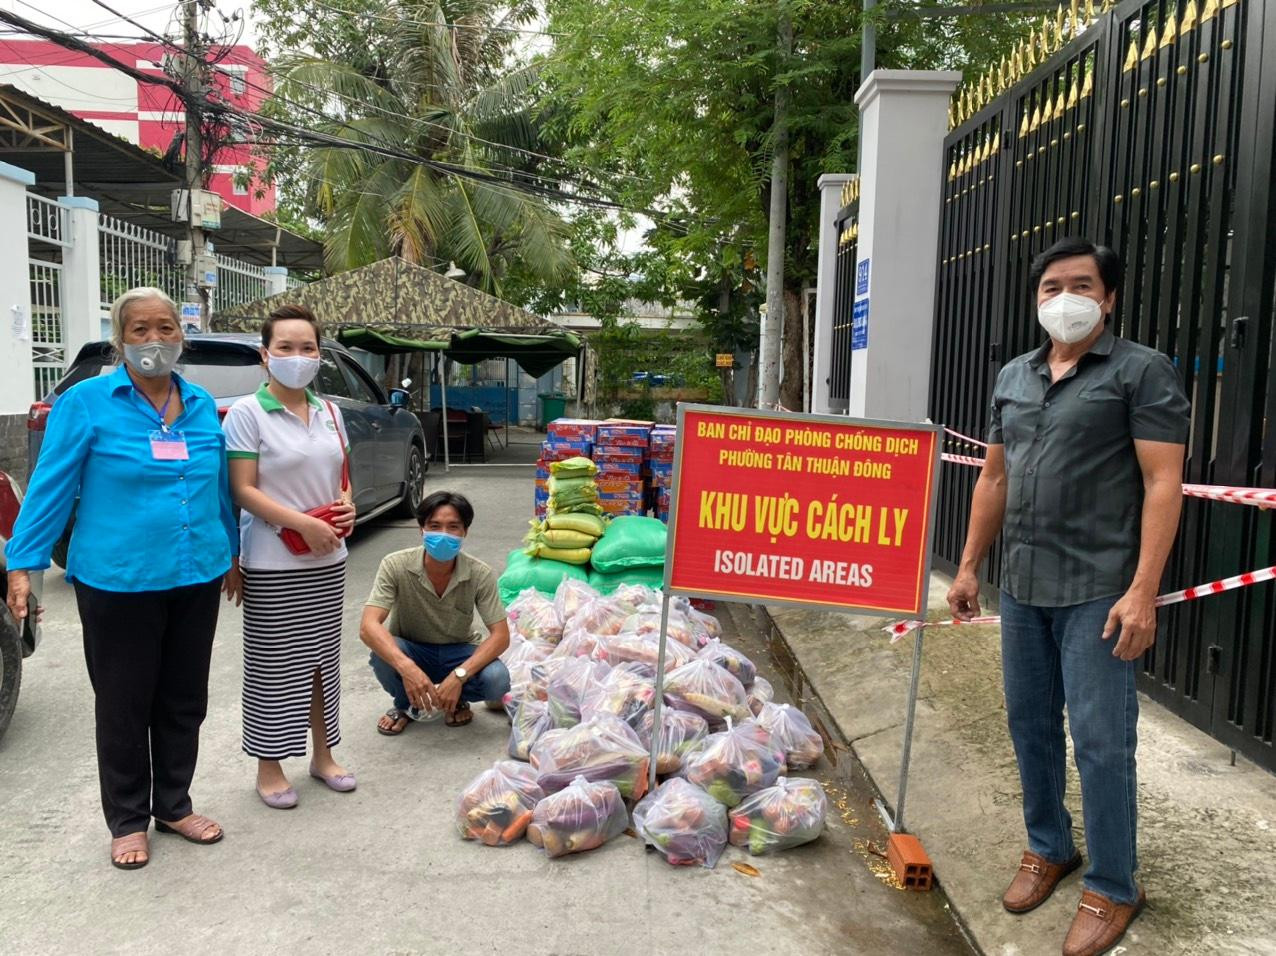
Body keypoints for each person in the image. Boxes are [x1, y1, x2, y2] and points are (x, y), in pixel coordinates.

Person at [946, 237, 1190, 956]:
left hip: (1100, 592)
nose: (1064, 297)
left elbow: (1161, 483)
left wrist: (1143, 591)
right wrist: (967, 567)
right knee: (1028, 724)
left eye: (1081, 284)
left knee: (1102, 743)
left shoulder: (1142, 372)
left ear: (1109, 297)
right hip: (1022, 585)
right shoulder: (1014, 377)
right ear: (1037, 300)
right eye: (1050, 286)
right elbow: (994, 478)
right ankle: (1049, 846)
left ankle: (1116, 884)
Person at [4, 287, 237, 870]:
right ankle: (128, 818)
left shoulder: (202, 404)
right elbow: (51, 487)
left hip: (196, 572)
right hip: (118, 579)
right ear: (121, 340)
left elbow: (216, 489)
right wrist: (22, 566)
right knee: (125, 701)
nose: (155, 340)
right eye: (140, 330)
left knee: (184, 697)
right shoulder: (86, 402)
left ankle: (175, 804)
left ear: (180, 337)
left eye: (165, 328)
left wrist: (231, 553)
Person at [221, 304, 357, 809]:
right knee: (274, 665)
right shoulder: (246, 414)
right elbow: (243, 490)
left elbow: (343, 476)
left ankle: (323, 757)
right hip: (273, 560)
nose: (297, 357)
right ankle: (270, 766)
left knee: (322, 661)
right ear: (265, 355)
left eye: (307, 348)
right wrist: (301, 523)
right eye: (286, 348)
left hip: (329, 559)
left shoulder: (330, 412)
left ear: (319, 355)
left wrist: (347, 507)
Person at [361, 491, 510, 733]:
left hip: (458, 651)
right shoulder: (395, 565)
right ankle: (405, 704)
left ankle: (455, 697)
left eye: (453, 527)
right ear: (421, 529)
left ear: (465, 532)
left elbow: (501, 635)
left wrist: (459, 676)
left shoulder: (479, 573)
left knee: (497, 680)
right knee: (384, 654)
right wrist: (407, 668)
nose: (443, 535)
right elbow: (368, 626)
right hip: (412, 648)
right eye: (434, 526)